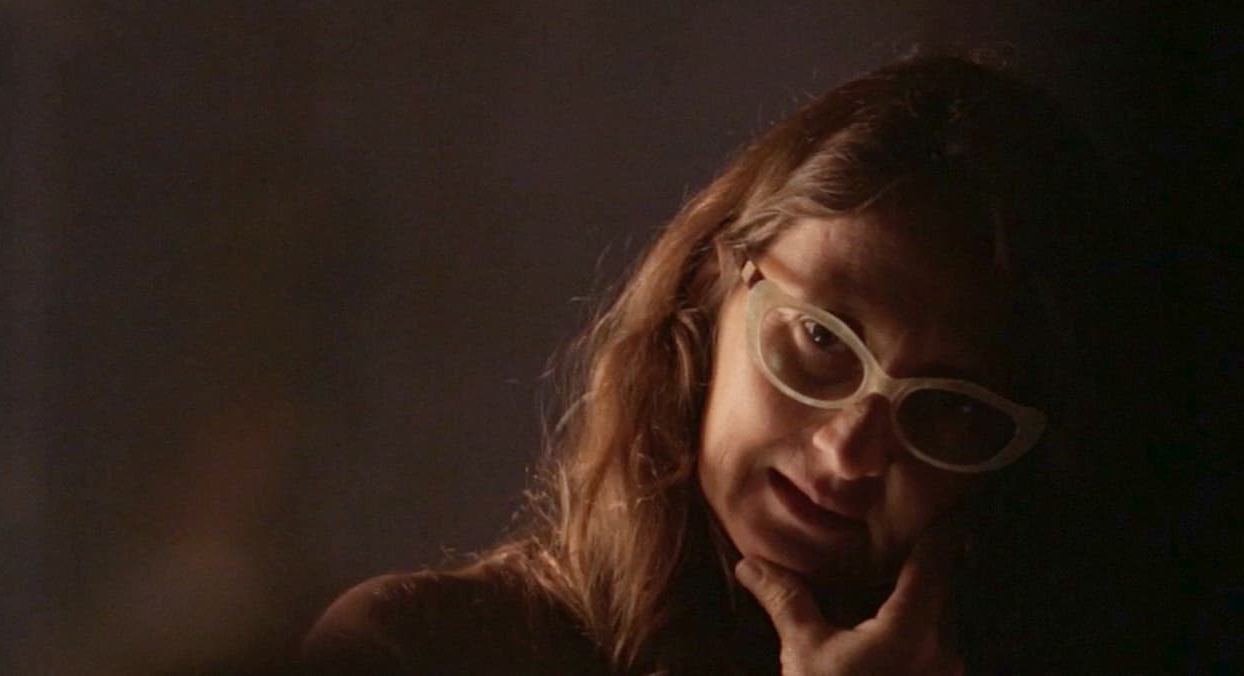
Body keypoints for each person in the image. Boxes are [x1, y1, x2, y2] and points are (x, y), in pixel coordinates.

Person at [302, 55, 1106, 674]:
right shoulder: (418, 652)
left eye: (949, 405)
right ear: (710, 289)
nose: (850, 452)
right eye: (821, 339)